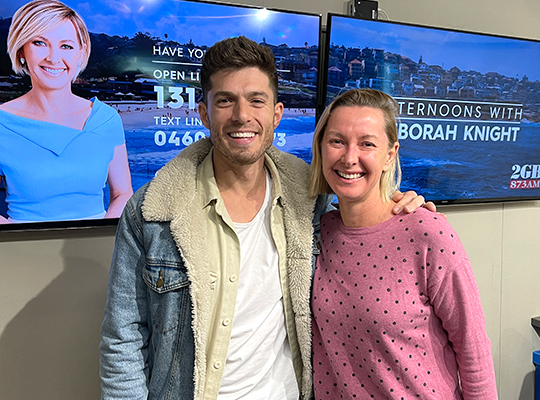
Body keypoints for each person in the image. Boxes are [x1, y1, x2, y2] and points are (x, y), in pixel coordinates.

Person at [99, 36, 432, 399]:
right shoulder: (153, 212)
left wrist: (400, 206)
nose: (242, 115)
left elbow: (360, 224)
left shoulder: (311, 201)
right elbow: (123, 339)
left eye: (256, 100)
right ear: (204, 113)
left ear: (276, 114)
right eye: (225, 100)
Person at [309, 88, 498, 399]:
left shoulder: (428, 232)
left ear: (390, 155)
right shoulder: (320, 232)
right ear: (321, 147)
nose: (349, 157)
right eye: (337, 141)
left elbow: (474, 349)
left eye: (367, 144)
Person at [0, 0, 132, 223]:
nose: (53, 58)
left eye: (66, 46)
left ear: (81, 53)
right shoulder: (2, 121)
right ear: (22, 50)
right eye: (40, 43)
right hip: (20, 249)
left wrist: (102, 236)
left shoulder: (106, 119)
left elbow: (123, 194)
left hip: (95, 250)